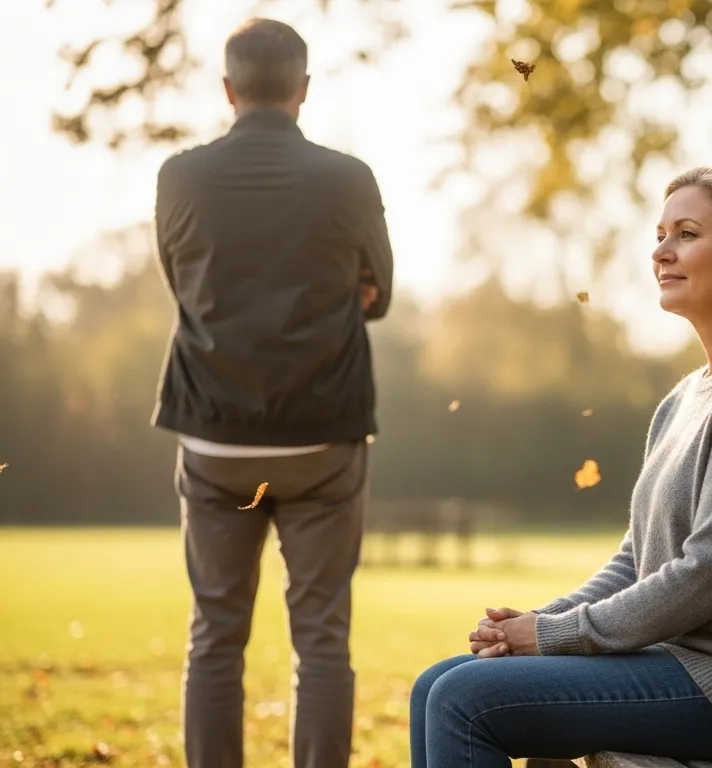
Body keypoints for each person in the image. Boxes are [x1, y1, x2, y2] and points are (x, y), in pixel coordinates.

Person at [408, 165, 712, 768]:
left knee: (465, 700)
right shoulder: (686, 396)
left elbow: (708, 573)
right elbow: (636, 558)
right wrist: (543, 620)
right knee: (437, 684)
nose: (661, 252)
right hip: (683, 666)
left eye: (687, 234)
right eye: (661, 234)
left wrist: (552, 637)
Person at [152, 18, 394, 768]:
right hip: (323, 438)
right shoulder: (349, 178)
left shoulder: (178, 177)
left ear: (228, 91)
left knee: (214, 633)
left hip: (214, 435)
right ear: (304, 90)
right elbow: (379, 294)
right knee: (322, 634)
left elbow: (183, 288)